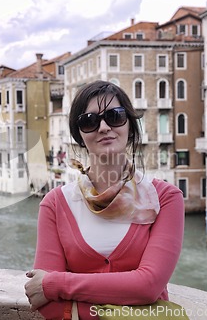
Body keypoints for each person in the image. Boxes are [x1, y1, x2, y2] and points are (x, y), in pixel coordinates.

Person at [24, 80, 185, 320]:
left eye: (114, 116)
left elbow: (148, 286)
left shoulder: (166, 198)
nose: (103, 127)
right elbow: (46, 304)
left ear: (130, 125)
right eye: (89, 121)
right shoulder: (54, 204)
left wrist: (56, 284)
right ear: (79, 134)